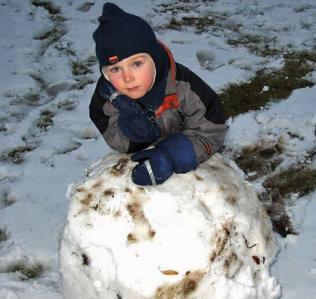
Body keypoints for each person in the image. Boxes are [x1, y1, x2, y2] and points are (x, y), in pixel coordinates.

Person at [89, 3, 227, 186]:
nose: (127, 77)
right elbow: (117, 142)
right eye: (115, 69)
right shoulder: (107, 101)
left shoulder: (184, 87)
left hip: (195, 159)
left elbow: (211, 133)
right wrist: (133, 135)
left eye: (136, 64)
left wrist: (173, 156)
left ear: (153, 58)